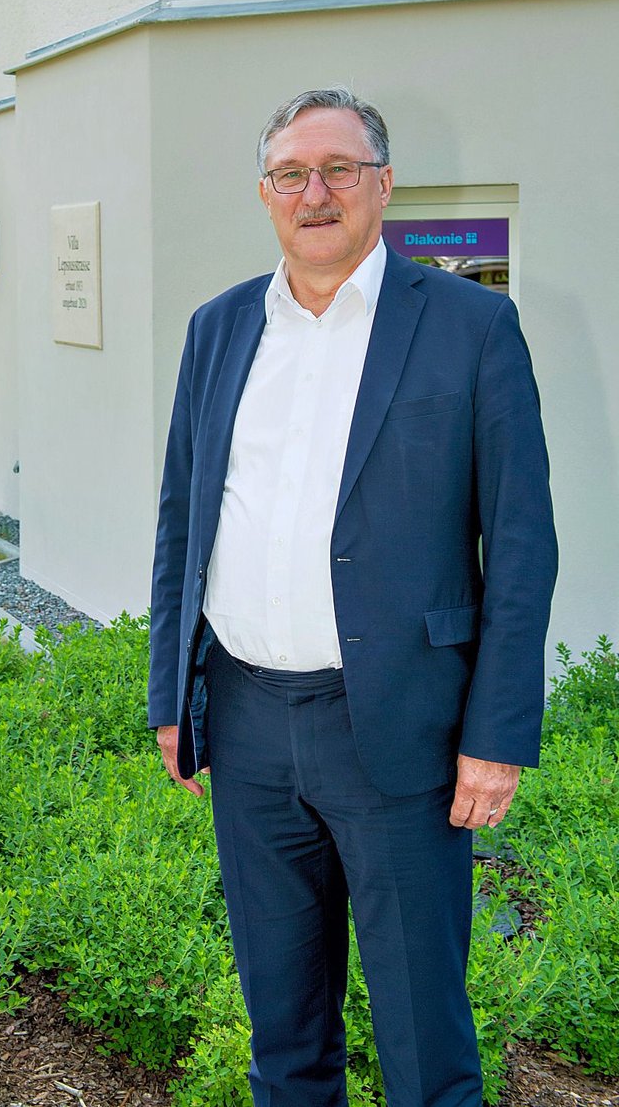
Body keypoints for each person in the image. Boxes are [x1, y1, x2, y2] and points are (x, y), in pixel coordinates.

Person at [148, 87, 557, 1107]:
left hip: (402, 727)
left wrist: (496, 734)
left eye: (339, 169)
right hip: (247, 723)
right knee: (284, 1040)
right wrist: (172, 696)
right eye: (291, 173)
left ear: (384, 184)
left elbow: (519, 545)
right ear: (265, 193)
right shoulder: (219, 327)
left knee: (425, 1046)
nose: (315, 192)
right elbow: (182, 521)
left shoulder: (470, 326)